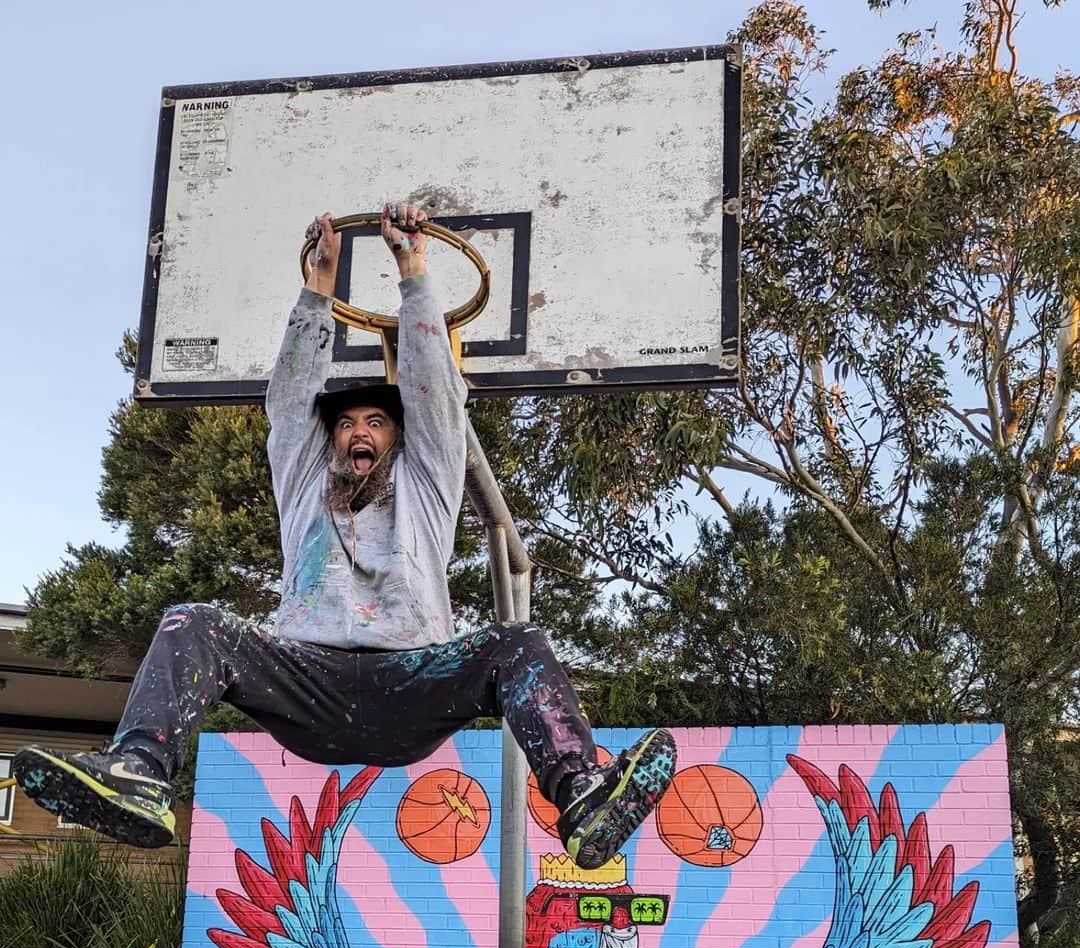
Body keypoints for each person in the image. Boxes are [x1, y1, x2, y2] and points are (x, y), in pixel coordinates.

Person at [15, 201, 676, 869]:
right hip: (308, 681)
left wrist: (412, 269)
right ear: (331, 438)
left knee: (518, 641)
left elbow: (432, 394)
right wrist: (321, 282)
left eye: (377, 423)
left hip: (411, 679)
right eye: (348, 423)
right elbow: (291, 394)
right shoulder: (306, 483)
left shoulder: (426, 482)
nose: (361, 431)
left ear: (397, 437)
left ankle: (582, 793)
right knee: (194, 622)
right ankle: (140, 773)